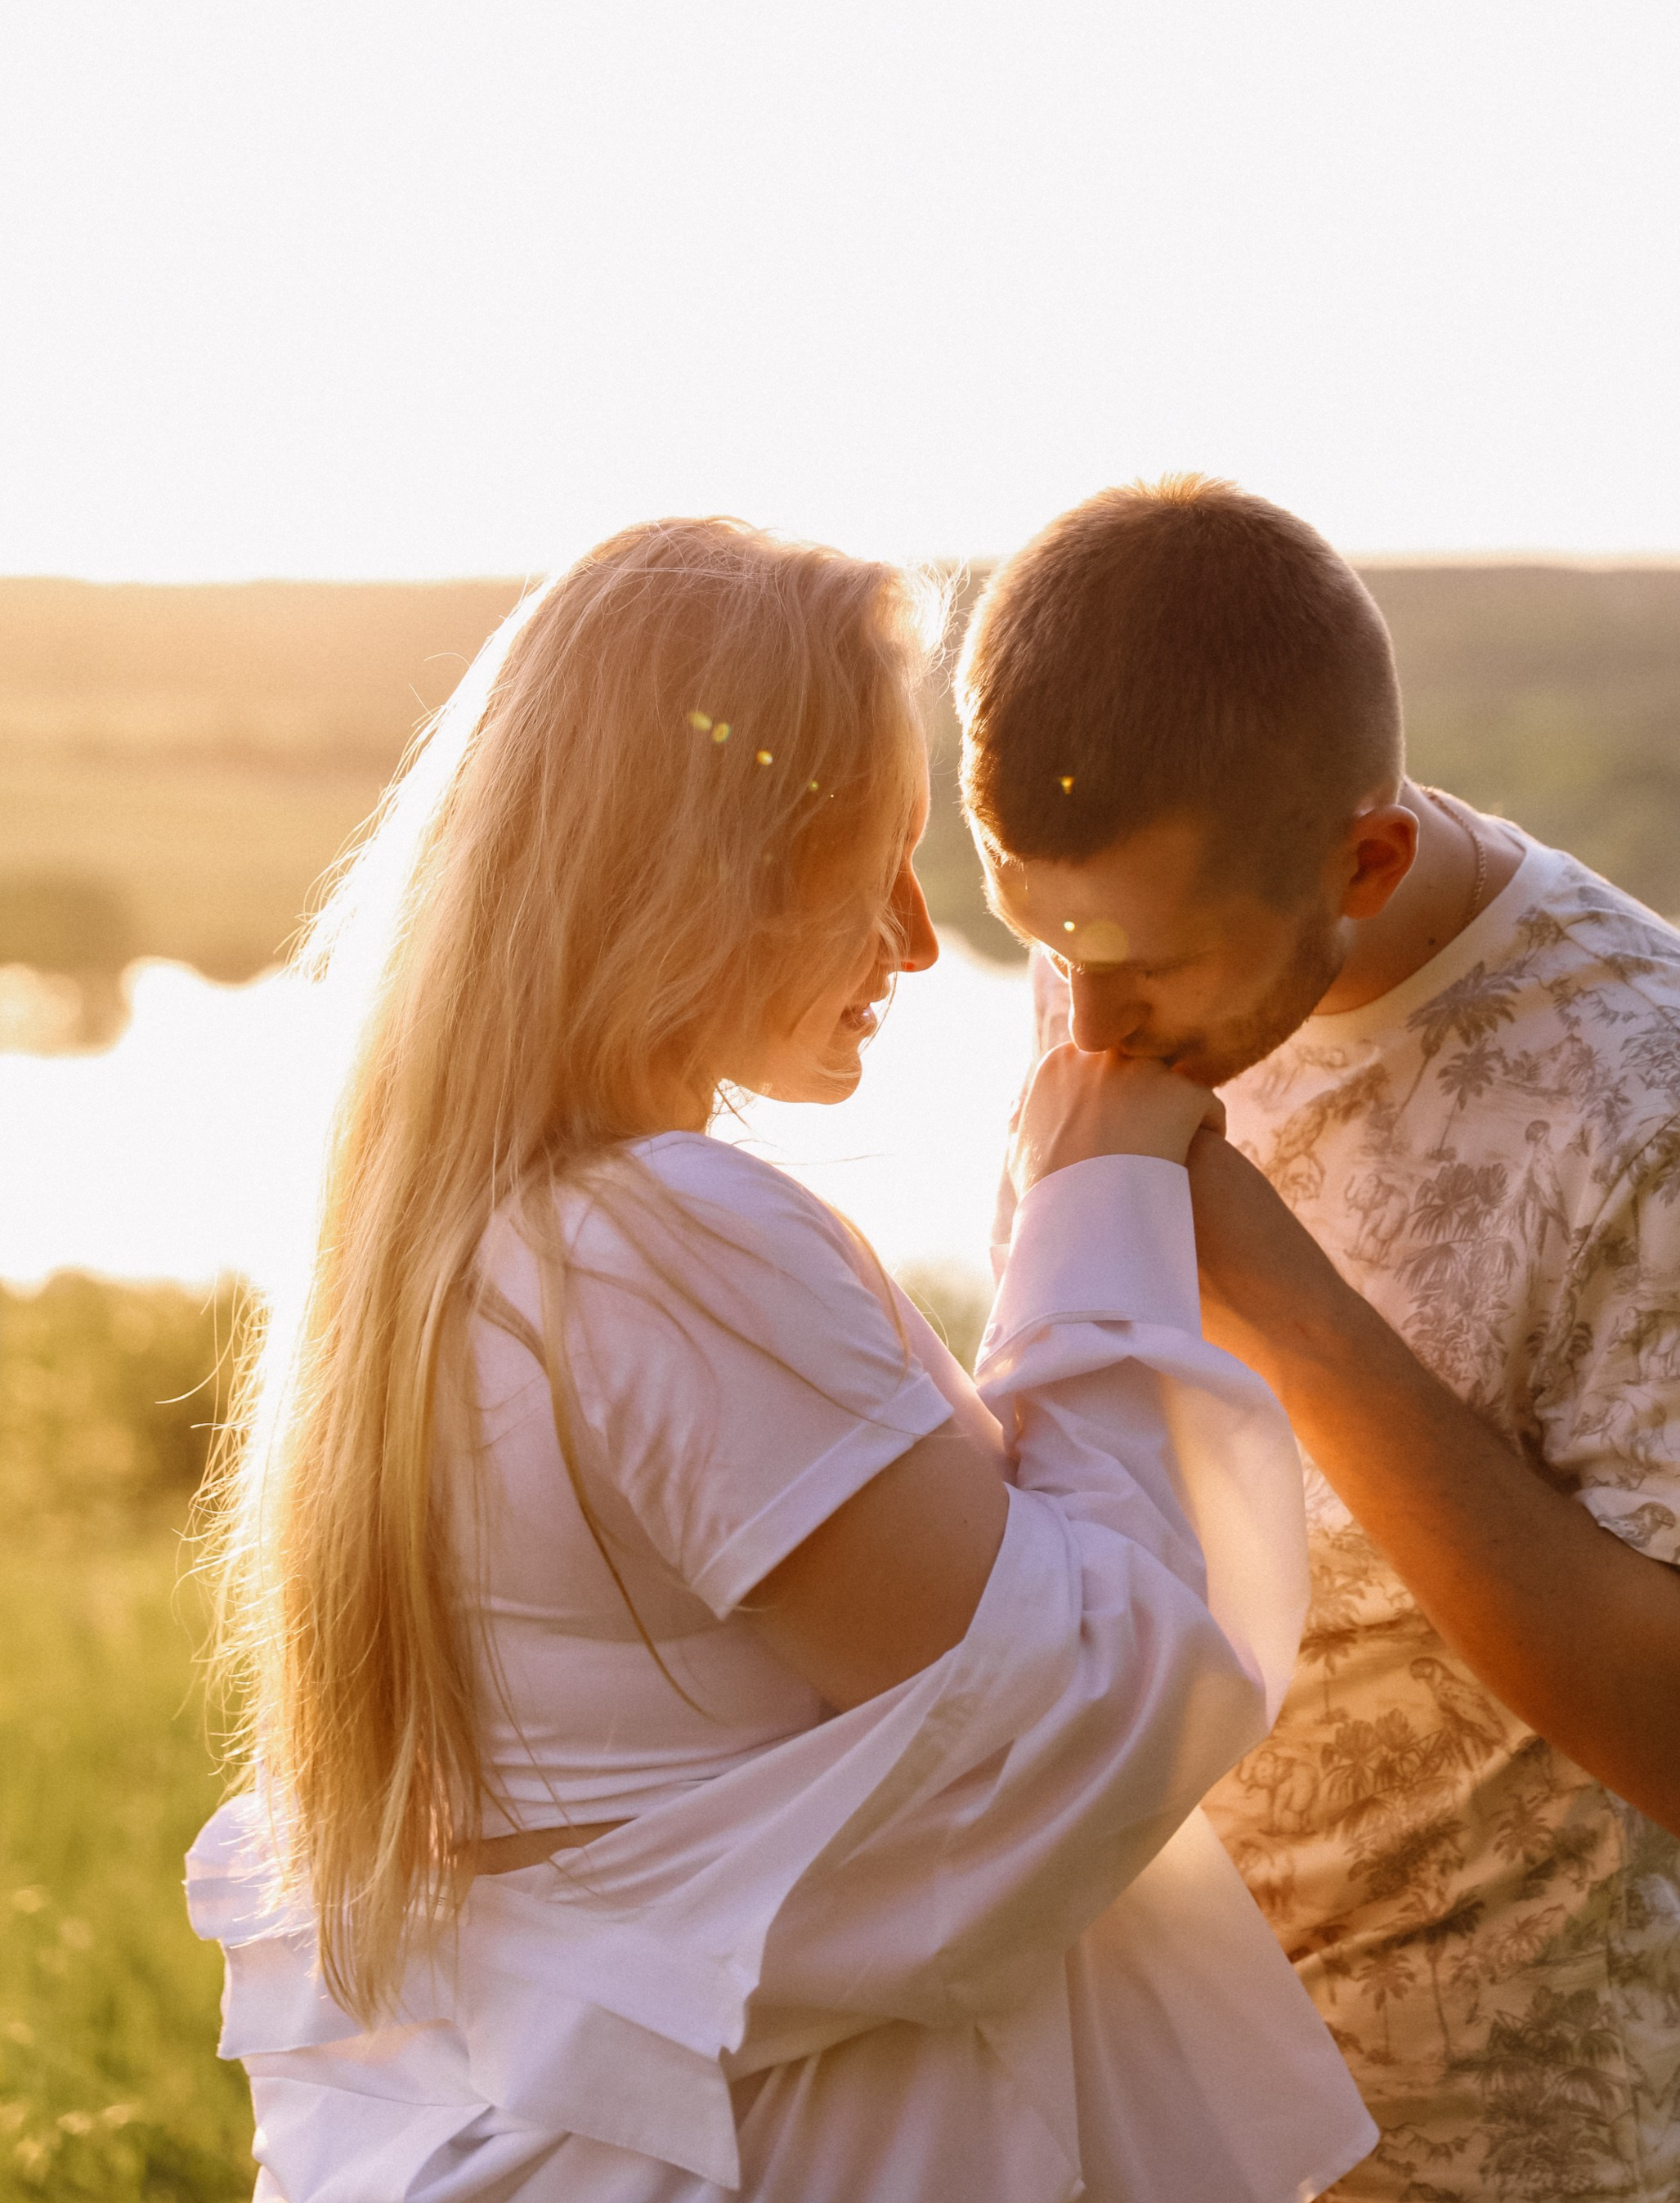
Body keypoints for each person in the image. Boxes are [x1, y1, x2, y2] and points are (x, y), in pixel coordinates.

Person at [187, 517, 1374, 2203]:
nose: (909, 942)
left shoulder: (453, 1236)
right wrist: (1095, 1200)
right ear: (707, 872)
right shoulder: (663, 1241)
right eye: (873, 867)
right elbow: (1075, 1710)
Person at [964, 475, 1680, 2203]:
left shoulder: (1678, 1106)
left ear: (1360, 857)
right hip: (1161, 2122)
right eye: (1033, 933)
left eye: (1145, 962)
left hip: (1546, 2154)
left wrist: (1271, 1291)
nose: (1085, 1016)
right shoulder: (1115, 964)